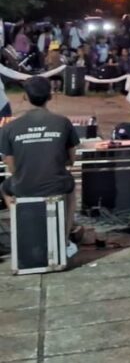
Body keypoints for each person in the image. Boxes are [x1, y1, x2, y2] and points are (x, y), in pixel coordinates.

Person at [0, 77, 81, 259]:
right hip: (56, 184)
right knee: (70, 187)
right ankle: (64, 240)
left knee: (5, 189)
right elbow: (71, 160)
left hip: (24, 186)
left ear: (25, 97)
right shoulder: (63, 122)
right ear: (50, 96)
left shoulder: (9, 128)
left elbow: (11, 166)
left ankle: (22, 232)